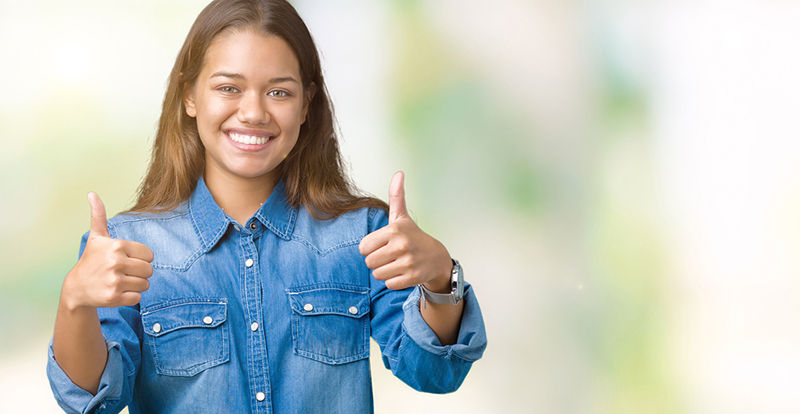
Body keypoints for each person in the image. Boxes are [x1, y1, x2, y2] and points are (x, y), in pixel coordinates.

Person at [46, 0, 487, 412]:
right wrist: (75, 302)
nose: (254, 112)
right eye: (228, 88)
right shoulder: (126, 246)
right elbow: (89, 400)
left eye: (278, 92)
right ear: (190, 96)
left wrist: (440, 278)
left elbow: (434, 372)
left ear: (306, 105)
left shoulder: (365, 235)